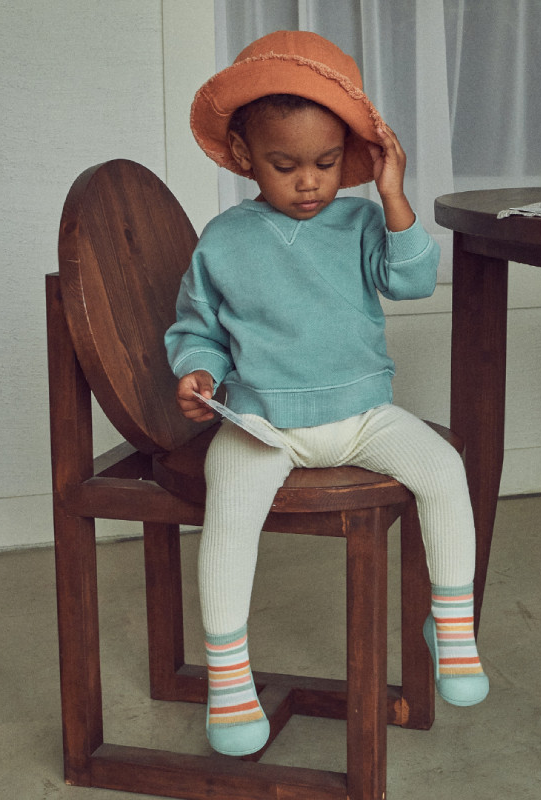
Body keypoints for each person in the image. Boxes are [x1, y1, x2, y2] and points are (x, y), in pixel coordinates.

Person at [166, 30, 489, 757]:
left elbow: (412, 280)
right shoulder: (224, 240)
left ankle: (452, 624)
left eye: (326, 162)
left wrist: (394, 195)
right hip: (262, 424)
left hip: (364, 415)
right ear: (245, 156)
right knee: (230, 512)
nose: (309, 183)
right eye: (285, 166)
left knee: (444, 469)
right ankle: (228, 675)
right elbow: (197, 328)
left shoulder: (363, 221)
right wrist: (198, 372)